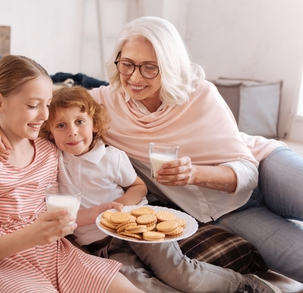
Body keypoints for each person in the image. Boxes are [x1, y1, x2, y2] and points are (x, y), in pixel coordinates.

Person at [0, 16, 303, 285]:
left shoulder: (201, 95)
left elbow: (247, 170)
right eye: (126, 64)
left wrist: (195, 174)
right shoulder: (105, 101)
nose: (134, 77)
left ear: (170, 65)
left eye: (149, 67)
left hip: (262, 166)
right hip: (229, 212)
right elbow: (43, 103)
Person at [37, 85, 282, 293]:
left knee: (178, 272)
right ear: (49, 132)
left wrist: (119, 209)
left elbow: (138, 186)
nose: (72, 132)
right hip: (100, 243)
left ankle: (242, 284)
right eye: (60, 126)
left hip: (138, 224)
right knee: (136, 281)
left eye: (80, 122)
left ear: (94, 126)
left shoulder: (111, 157)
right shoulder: (54, 158)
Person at [0, 54, 145, 293]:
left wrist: (92, 214)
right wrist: (33, 235)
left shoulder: (49, 150)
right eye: (33, 105)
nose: (45, 116)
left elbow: (55, 221)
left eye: (47, 105)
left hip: (54, 254)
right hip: (4, 264)